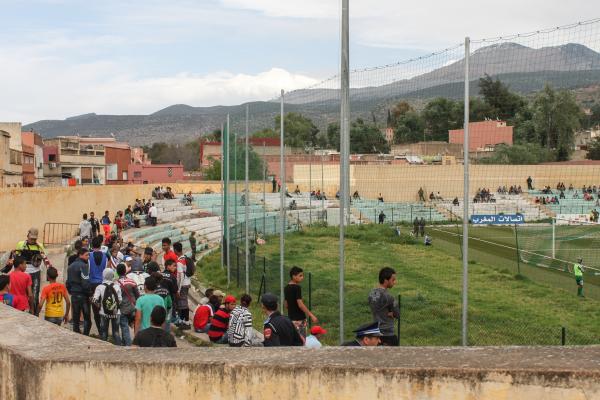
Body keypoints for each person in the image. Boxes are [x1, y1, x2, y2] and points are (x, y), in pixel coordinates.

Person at [15, 228, 47, 314]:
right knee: (22, 293)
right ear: (28, 235)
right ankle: (22, 311)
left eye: (34, 239)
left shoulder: (40, 246)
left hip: (35, 273)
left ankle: (34, 314)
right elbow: (16, 258)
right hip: (23, 273)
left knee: (35, 294)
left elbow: (45, 258)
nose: (32, 240)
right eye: (31, 238)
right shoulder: (21, 244)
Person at [367, 267, 400, 346]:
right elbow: (398, 314)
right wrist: (392, 313)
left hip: (376, 336)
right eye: (393, 280)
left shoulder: (371, 294)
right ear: (386, 280)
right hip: (388, 335)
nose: (395, 282)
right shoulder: (389, 297)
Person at [284, 266, 317, 339]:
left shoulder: (286, 288)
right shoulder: (297, 288)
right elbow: (300, 304)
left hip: (291, 319)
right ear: (294, 276)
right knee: (301, 340)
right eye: (300, 275)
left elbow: (286, 305)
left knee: (293, 339)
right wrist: (311, 315)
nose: (302, 277)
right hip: (300, 319)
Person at [66, 248, 92, 335]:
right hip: (83, 296)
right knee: (87, 320)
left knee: (76, 320)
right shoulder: (84, 266)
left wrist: (71, 291)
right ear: (80, 255)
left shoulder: (70, 266)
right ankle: (86, 336)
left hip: (74, 295)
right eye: (86, 255)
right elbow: (85, 283)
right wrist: (89, 293)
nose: (88, 257)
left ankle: (77, 336)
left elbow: (68, 282)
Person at [93, 268, 122, 343]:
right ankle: (119, 348)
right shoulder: (117, 286)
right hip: (116, 313)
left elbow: (94, 300)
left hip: (104, 313)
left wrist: (99, 305)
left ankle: (104, 348)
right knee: (116, 332)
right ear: (112, 275)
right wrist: (114, 307)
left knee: (104, 333)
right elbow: (120, 300)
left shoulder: (100, 287)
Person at [116, 263, 140, 346]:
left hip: (122, 309)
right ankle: (135, 342)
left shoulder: (116, 284)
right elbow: (137, 295)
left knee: (124, 327)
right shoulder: (131, 281)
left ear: (117, 272)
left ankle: (128, 345)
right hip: (133, 308)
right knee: (135, 326)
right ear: (125, 271)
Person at [89, 235, 108, 332]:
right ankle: (104, 330)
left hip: (92, 285)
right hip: (102, 285)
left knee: (95, 308)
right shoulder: (105, 256)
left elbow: (88, 271)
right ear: (100, 245)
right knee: (102, 307)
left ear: (92, 245)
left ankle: (100, 330)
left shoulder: (89, 256)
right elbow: (106, 271)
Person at [173, 241, 192, 329]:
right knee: (184, 302)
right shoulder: (186, 258)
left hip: (183, 285)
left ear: (176, 250)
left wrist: (178, 289)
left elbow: (180, 276)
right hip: (187, 283)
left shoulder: (179, 262)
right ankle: (183, 320)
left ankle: (187, 322)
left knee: (183, 303)